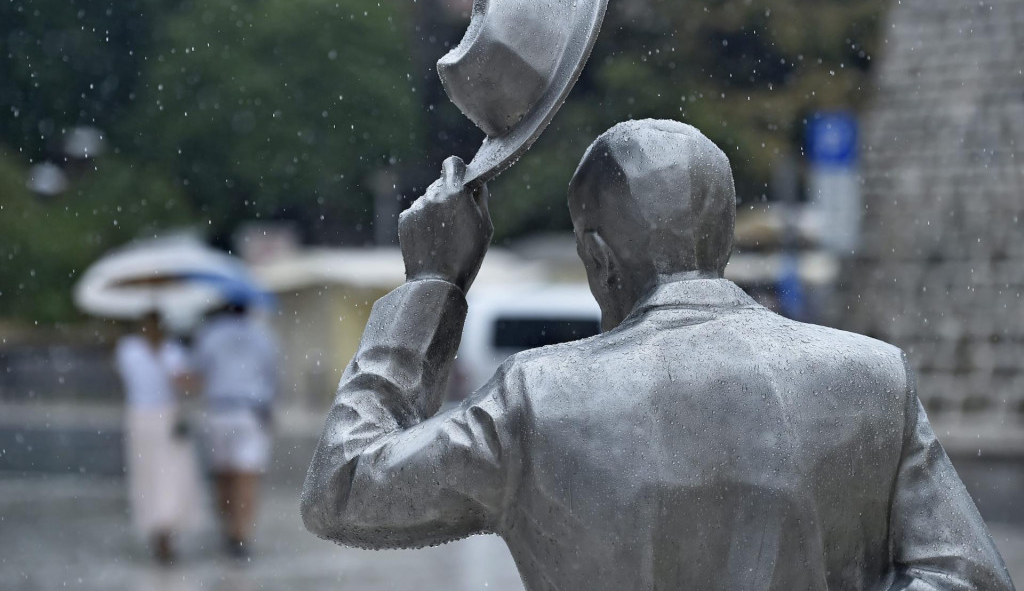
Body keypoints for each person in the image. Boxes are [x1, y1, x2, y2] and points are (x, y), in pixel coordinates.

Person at [301, 120, 1014, 591]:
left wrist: (431, 285)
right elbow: (966, 578)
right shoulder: (872, 378)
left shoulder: (535, 403)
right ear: (724, 238)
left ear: (597, 257)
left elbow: (343, 487)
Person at [192, 300, 279, 561]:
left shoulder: (210, 333)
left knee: (223, 477)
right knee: (247, 478)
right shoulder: (263, 336)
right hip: (250, 412)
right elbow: (273, 376)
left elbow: (199, 371)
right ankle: (242, 535)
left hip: (220, 411)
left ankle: (227, 529)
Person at [114, 311, 203, 564]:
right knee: (147, 476)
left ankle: (167, 530)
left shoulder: (173, 351)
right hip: (141, 417)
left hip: (168, 418)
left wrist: (185, 379)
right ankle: (156, 530)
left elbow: (188, 384)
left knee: (172, 477)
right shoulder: (129, 349)